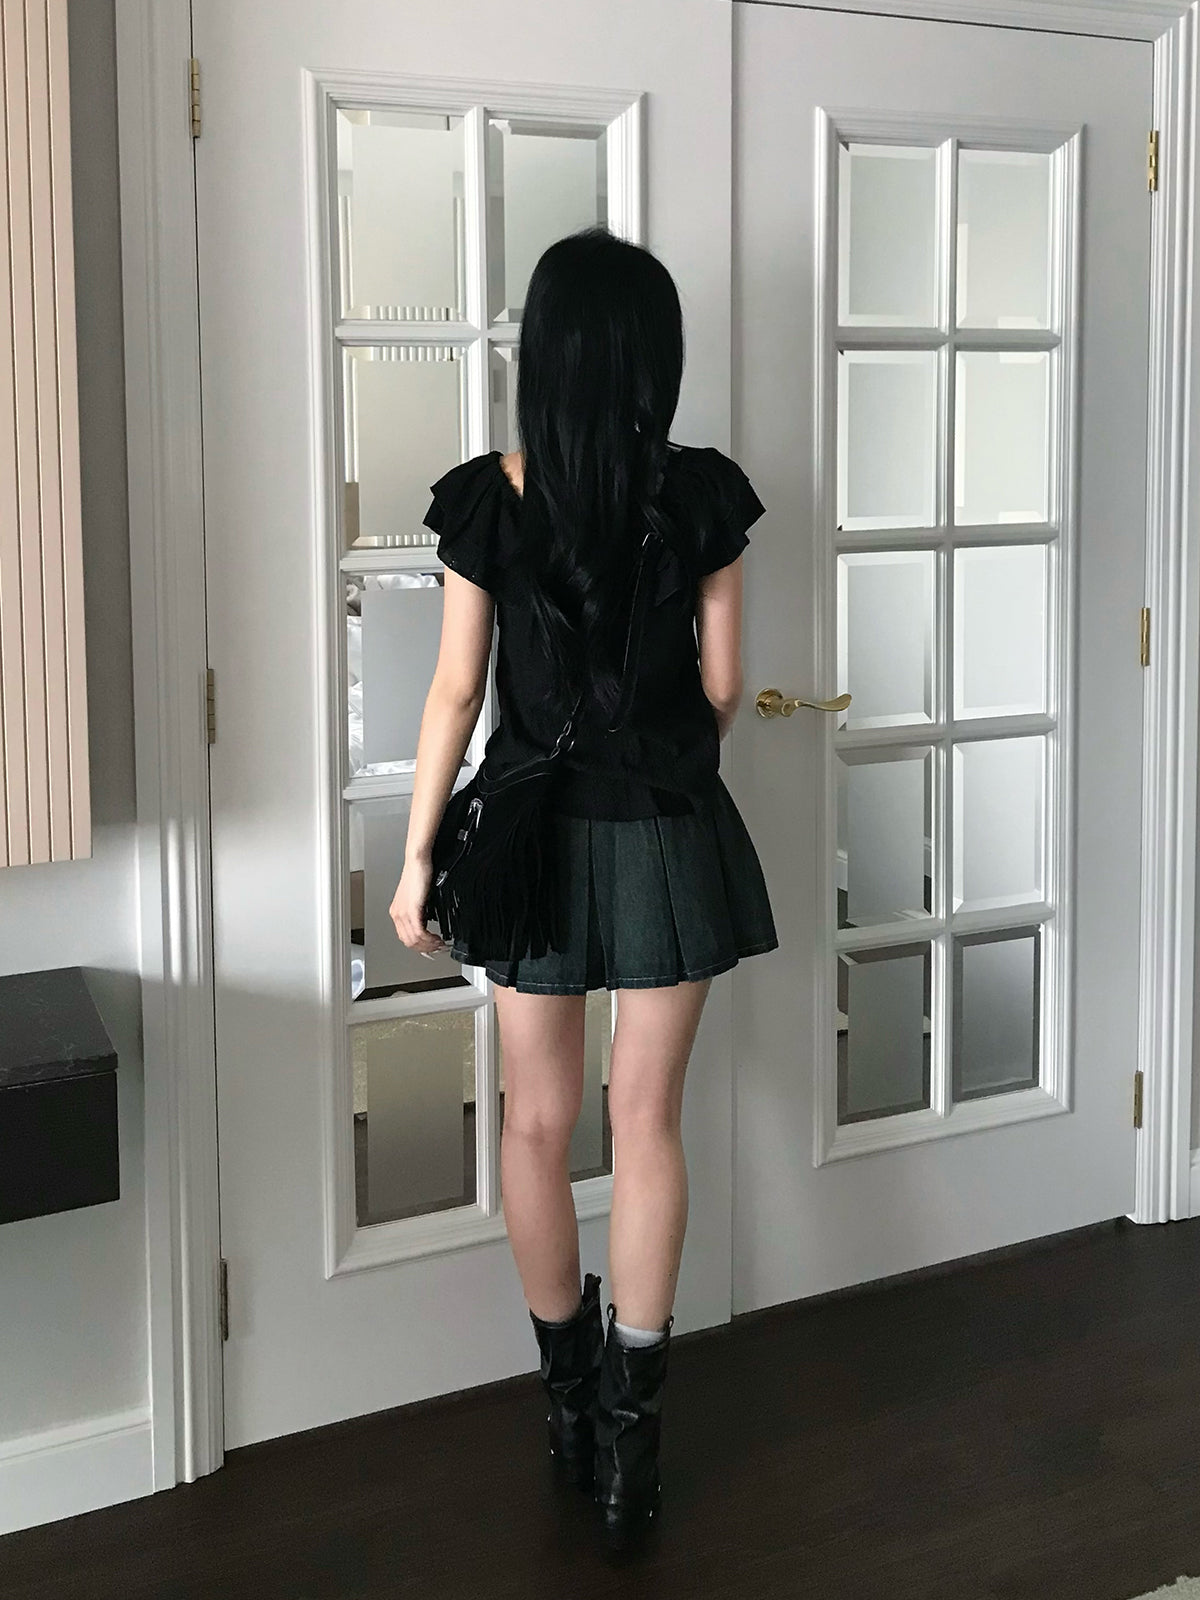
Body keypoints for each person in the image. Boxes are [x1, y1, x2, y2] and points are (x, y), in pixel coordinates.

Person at [389, 226, 777, 1553]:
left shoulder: (489, 503)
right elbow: (722, 688)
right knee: (648, 1125)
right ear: (652, 358)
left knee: (538, 1128)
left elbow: (456, 693)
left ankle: (565, 1412)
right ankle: (632, 1451)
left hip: (531, 845)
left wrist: (416, 859)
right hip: (665, 831)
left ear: (542, 357)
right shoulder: (702, 495)